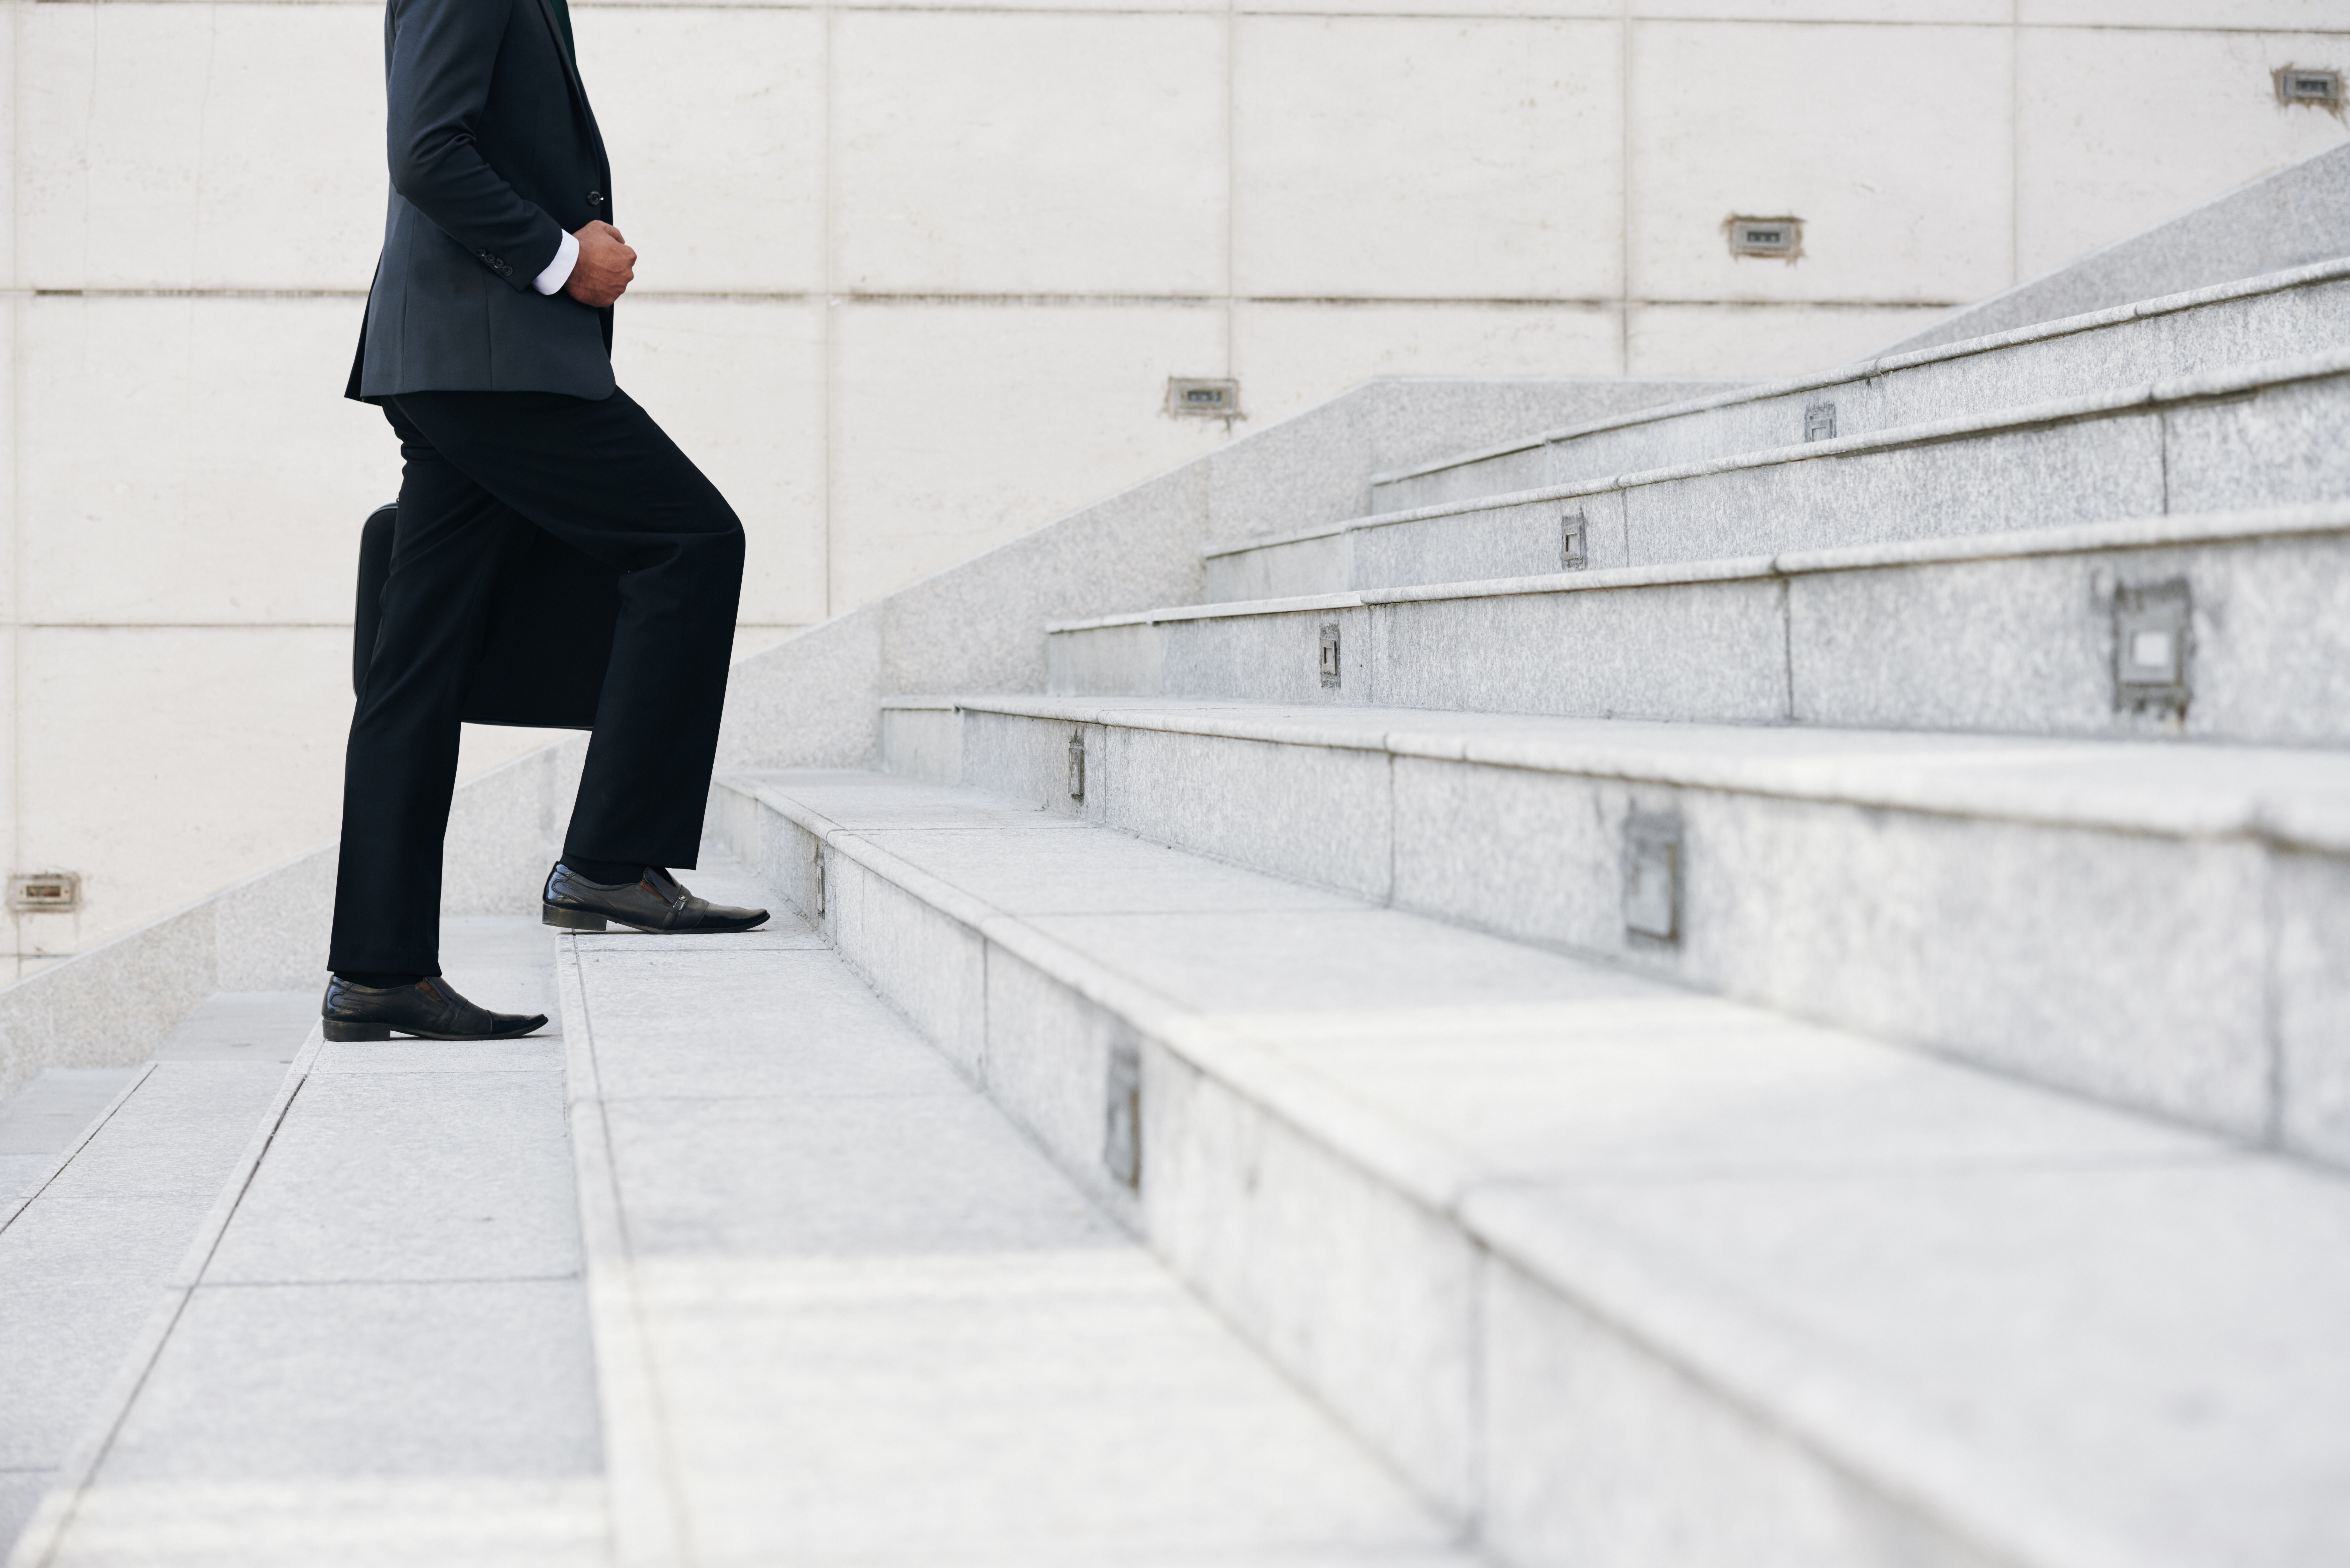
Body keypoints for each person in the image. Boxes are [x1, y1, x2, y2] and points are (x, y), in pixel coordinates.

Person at [322, 0, 766, 1045]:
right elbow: (426, 150)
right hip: (490, 363)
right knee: (691, 540)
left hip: (461, 361)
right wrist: (564, 259)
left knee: (414, 667)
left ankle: (378, 970)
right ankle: (609, 861)